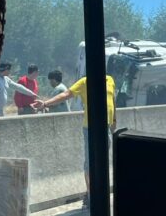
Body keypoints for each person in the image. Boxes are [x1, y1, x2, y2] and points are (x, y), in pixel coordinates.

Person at [36, 74, 116, 207]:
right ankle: (91, 196)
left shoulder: (110, 80)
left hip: (106, 127)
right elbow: (66, 94)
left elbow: (112, 100)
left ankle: (94, 192)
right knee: (90, 162)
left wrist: (114, 120)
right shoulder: (85, 81)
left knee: (102, 161)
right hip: (90, 128)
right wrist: (45, 103)